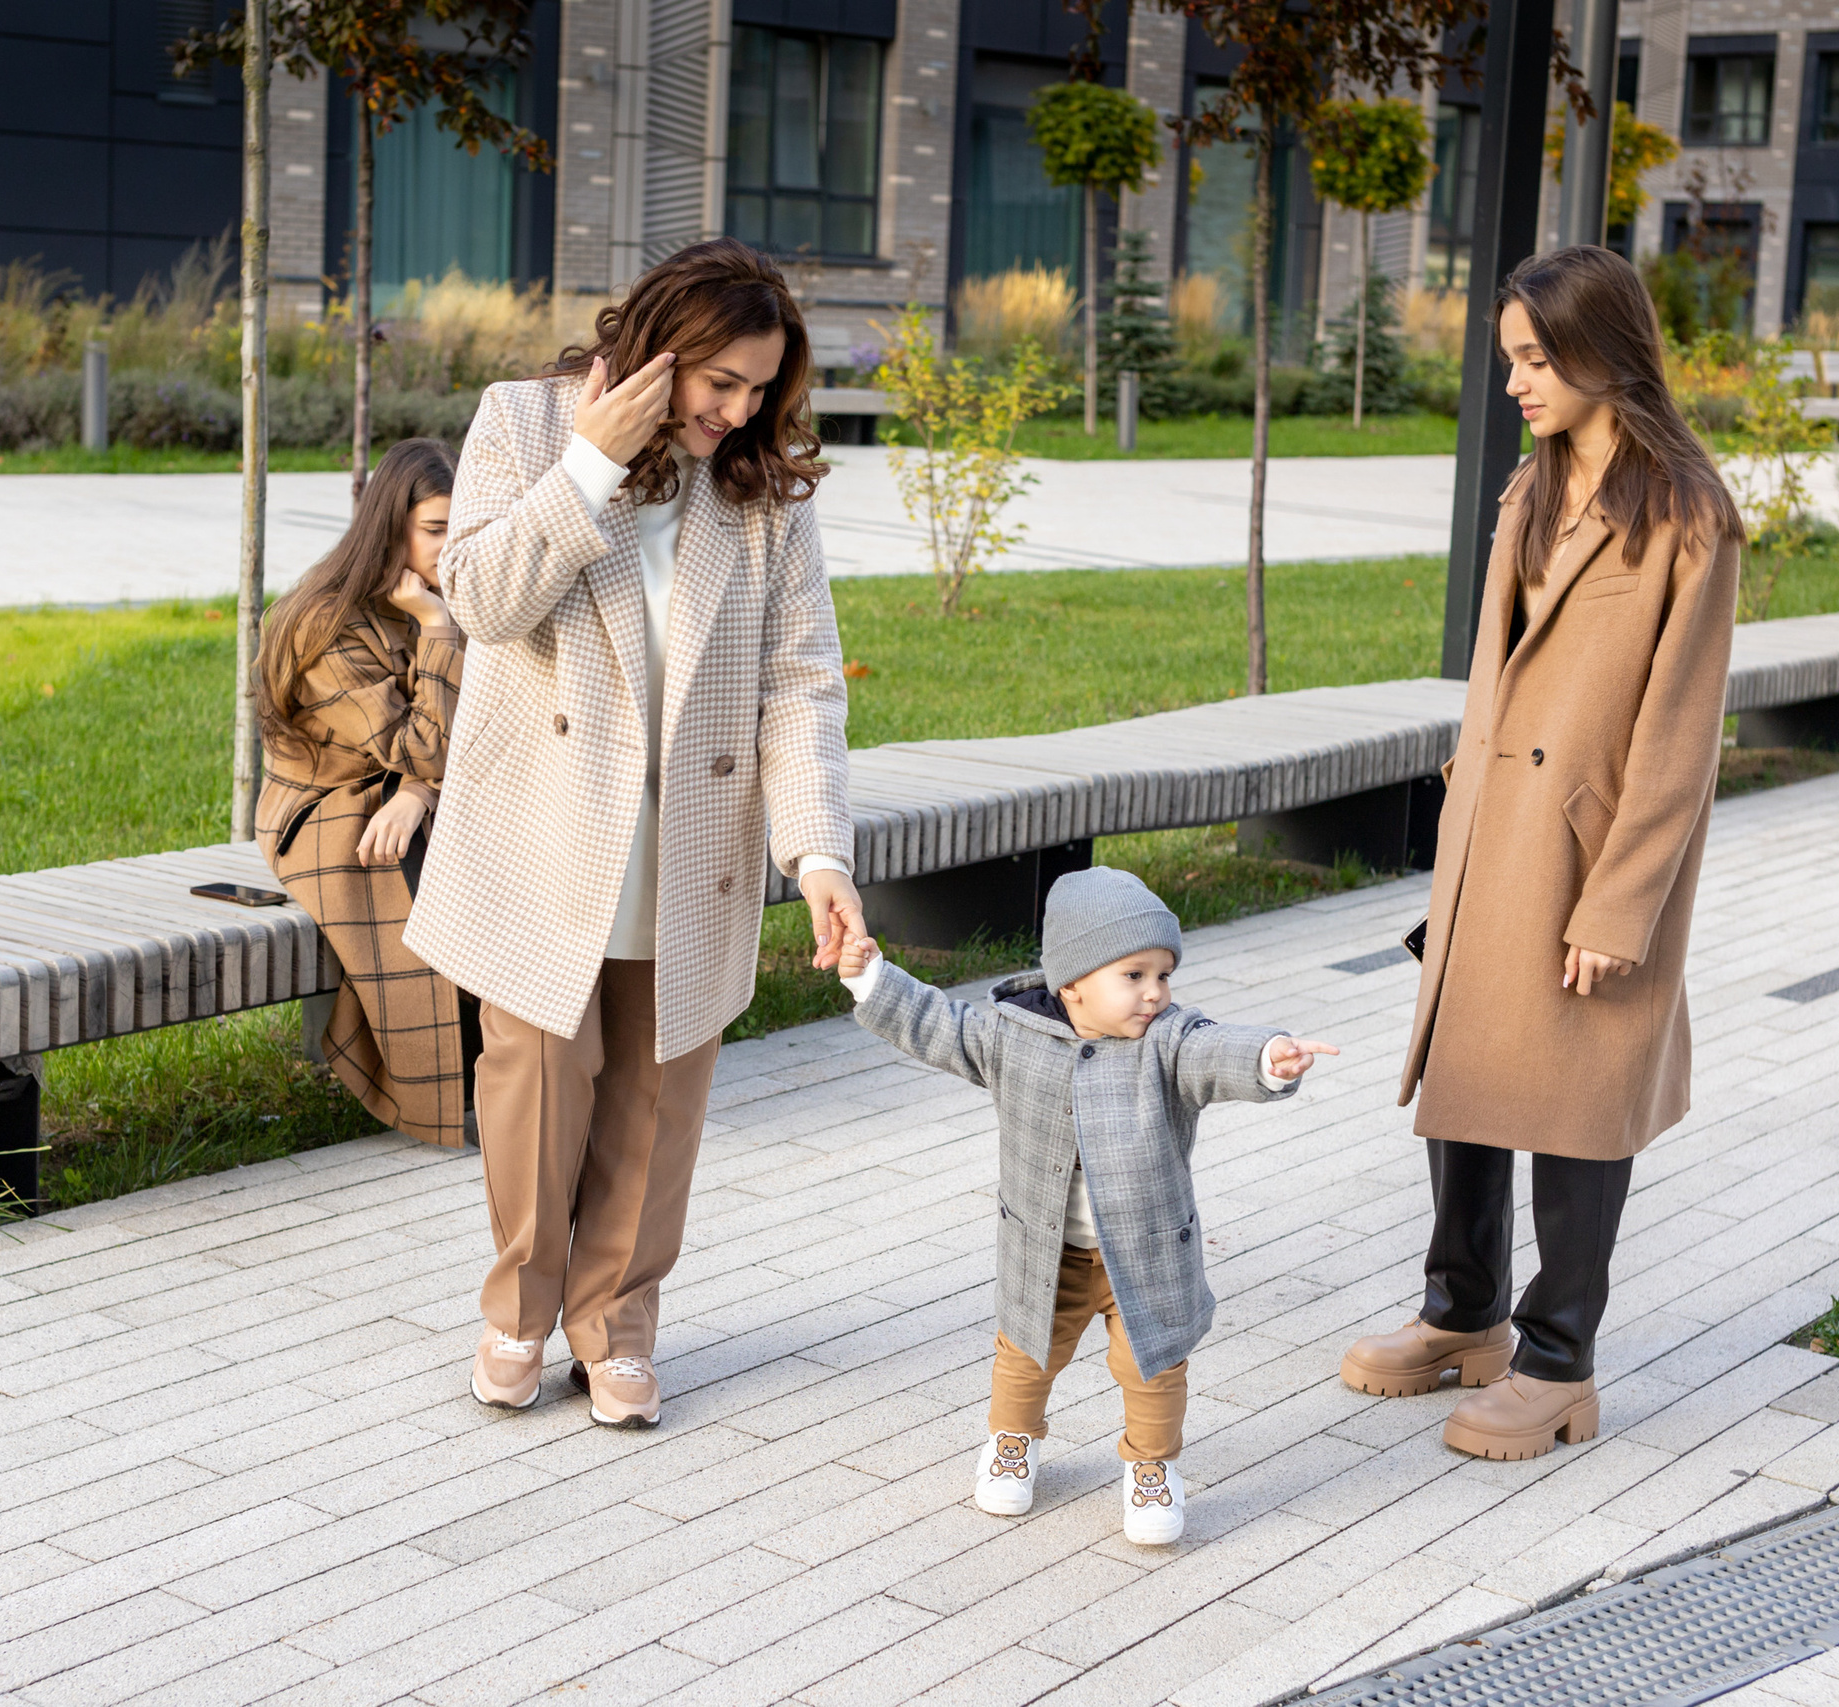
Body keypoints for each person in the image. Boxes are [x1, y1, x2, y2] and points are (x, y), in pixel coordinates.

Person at [409, 238, 863, 1430]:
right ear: (655, 348)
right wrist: (589, 467)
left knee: (658, 1097)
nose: (738, 409)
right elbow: (483, 602)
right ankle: (517, 1304)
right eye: (720, 382)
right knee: (537, 1081)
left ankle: (616, 1325)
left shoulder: (758, 489)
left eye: (761, 389)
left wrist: (817, 855)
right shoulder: (522, 421)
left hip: (693, 836)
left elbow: (799, 680)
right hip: (548, 828)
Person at [1343, 245, 1742, 1461]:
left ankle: (1558, 1359)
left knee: (1575, 1102)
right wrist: (1457, 828)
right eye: (1508, 358)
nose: (1514, 380)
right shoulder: (1530, 489)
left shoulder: (1688, 516)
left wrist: (1616, 909)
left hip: (1592, 858)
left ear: (1600, 351)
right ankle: (1462, 1317)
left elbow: (1678, 741)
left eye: (1533, 358)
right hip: (1492, 840)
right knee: (1468, 1078)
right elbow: (1489, 679)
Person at [836, 868, 1339, 1543]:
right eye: (1134, 974)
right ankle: (1013, 1443)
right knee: (1026, 1350)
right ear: (1071, 982)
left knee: (1153, 1363)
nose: (1155, 991)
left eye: (1164, 973)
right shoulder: (1013, 1036)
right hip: (1047, 1251)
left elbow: (1211, 1049)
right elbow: (940, 1026)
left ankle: (1151, 1467)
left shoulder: (1167, 1041)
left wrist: (1267, 1058)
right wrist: (872, 980)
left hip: (1146, 1251)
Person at [254, 437, 477, 1147]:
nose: (451, 548)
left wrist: (418, 791)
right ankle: (451, 1084)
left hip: (406, 793)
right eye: (436, 530)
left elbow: (487, 727)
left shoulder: (440, 594)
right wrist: (439, 629)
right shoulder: (323, 623)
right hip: (321, 808)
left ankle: (515, 1067)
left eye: (460, 529)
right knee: (426, 862)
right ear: (390, 526)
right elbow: (420, 741)